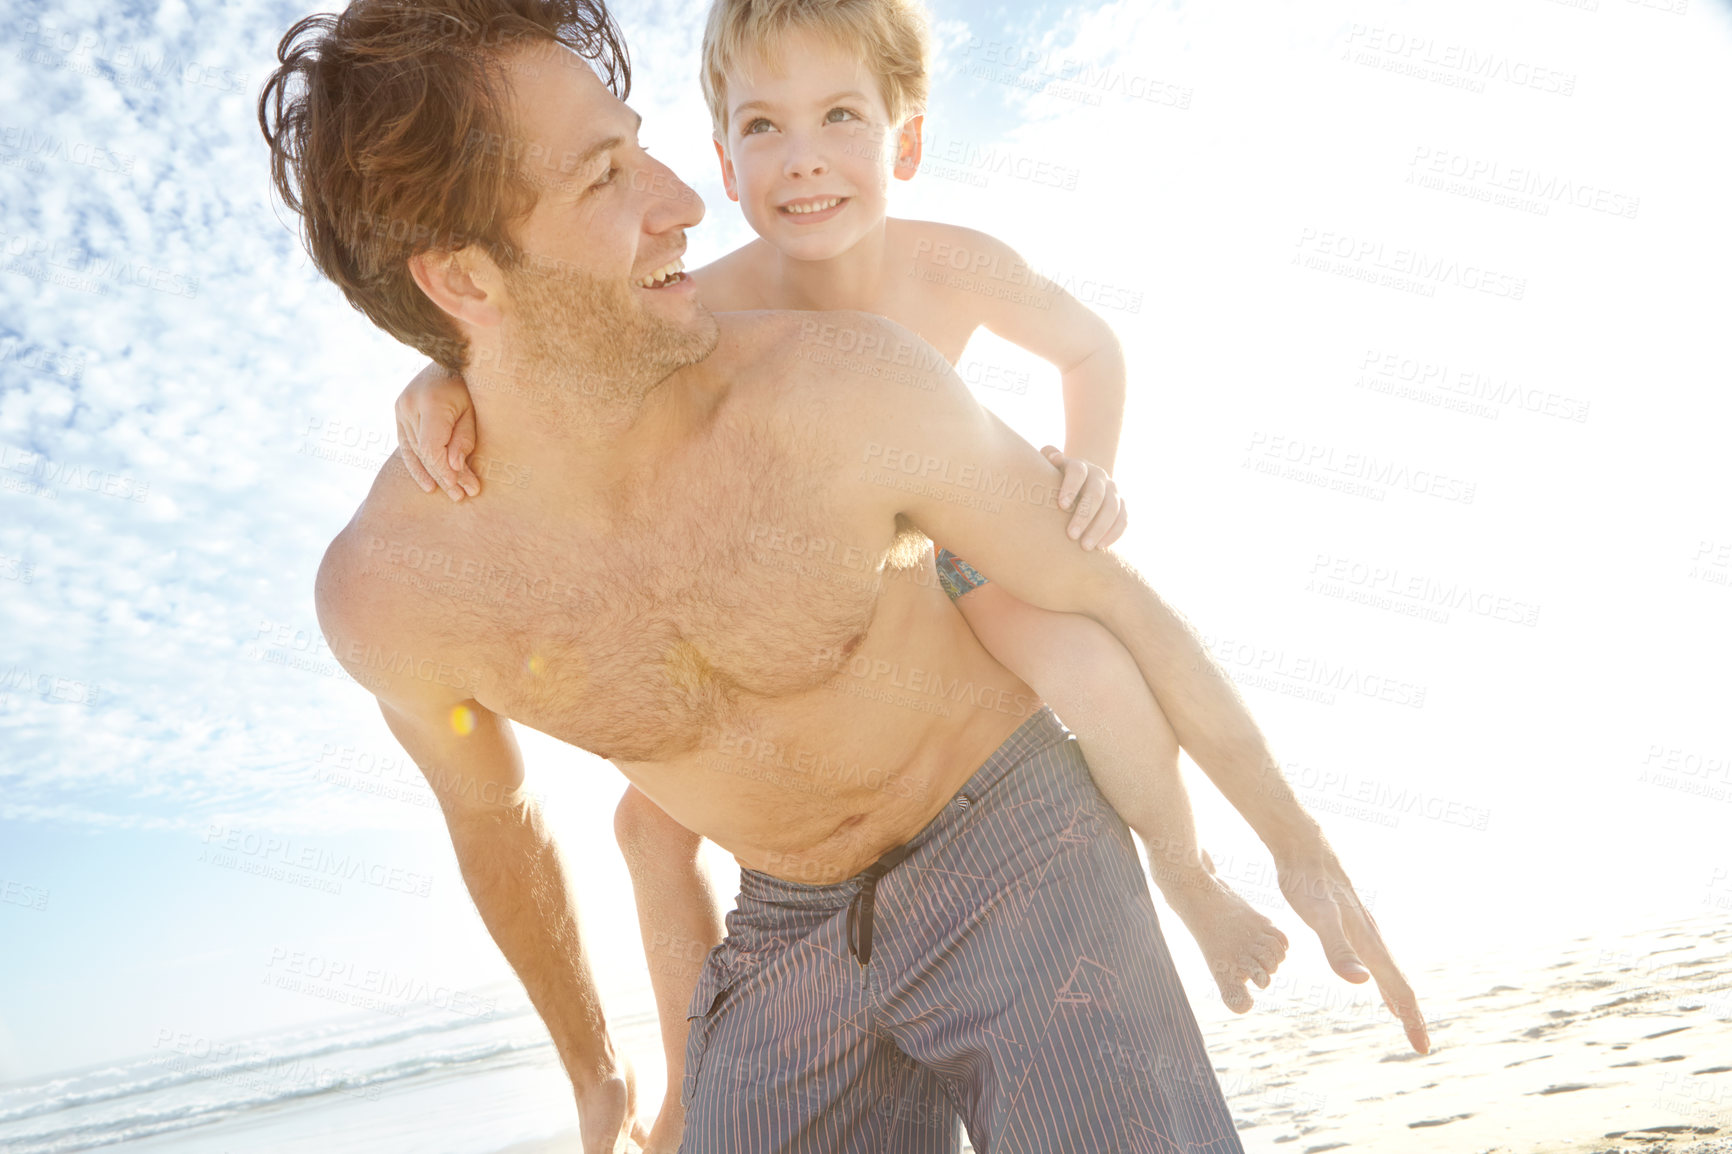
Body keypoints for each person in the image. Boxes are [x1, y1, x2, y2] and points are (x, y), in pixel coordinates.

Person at [259, 2, 1429, 1152]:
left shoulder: (848, 383)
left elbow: (1111, 600)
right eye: (608, 176)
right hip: (782, 924)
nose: (681, 201)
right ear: (463, 279)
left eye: (645, 146)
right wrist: (593, 1071)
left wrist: (1301, 851)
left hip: (1013, 837)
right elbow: (493, 812)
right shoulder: (397, 596)